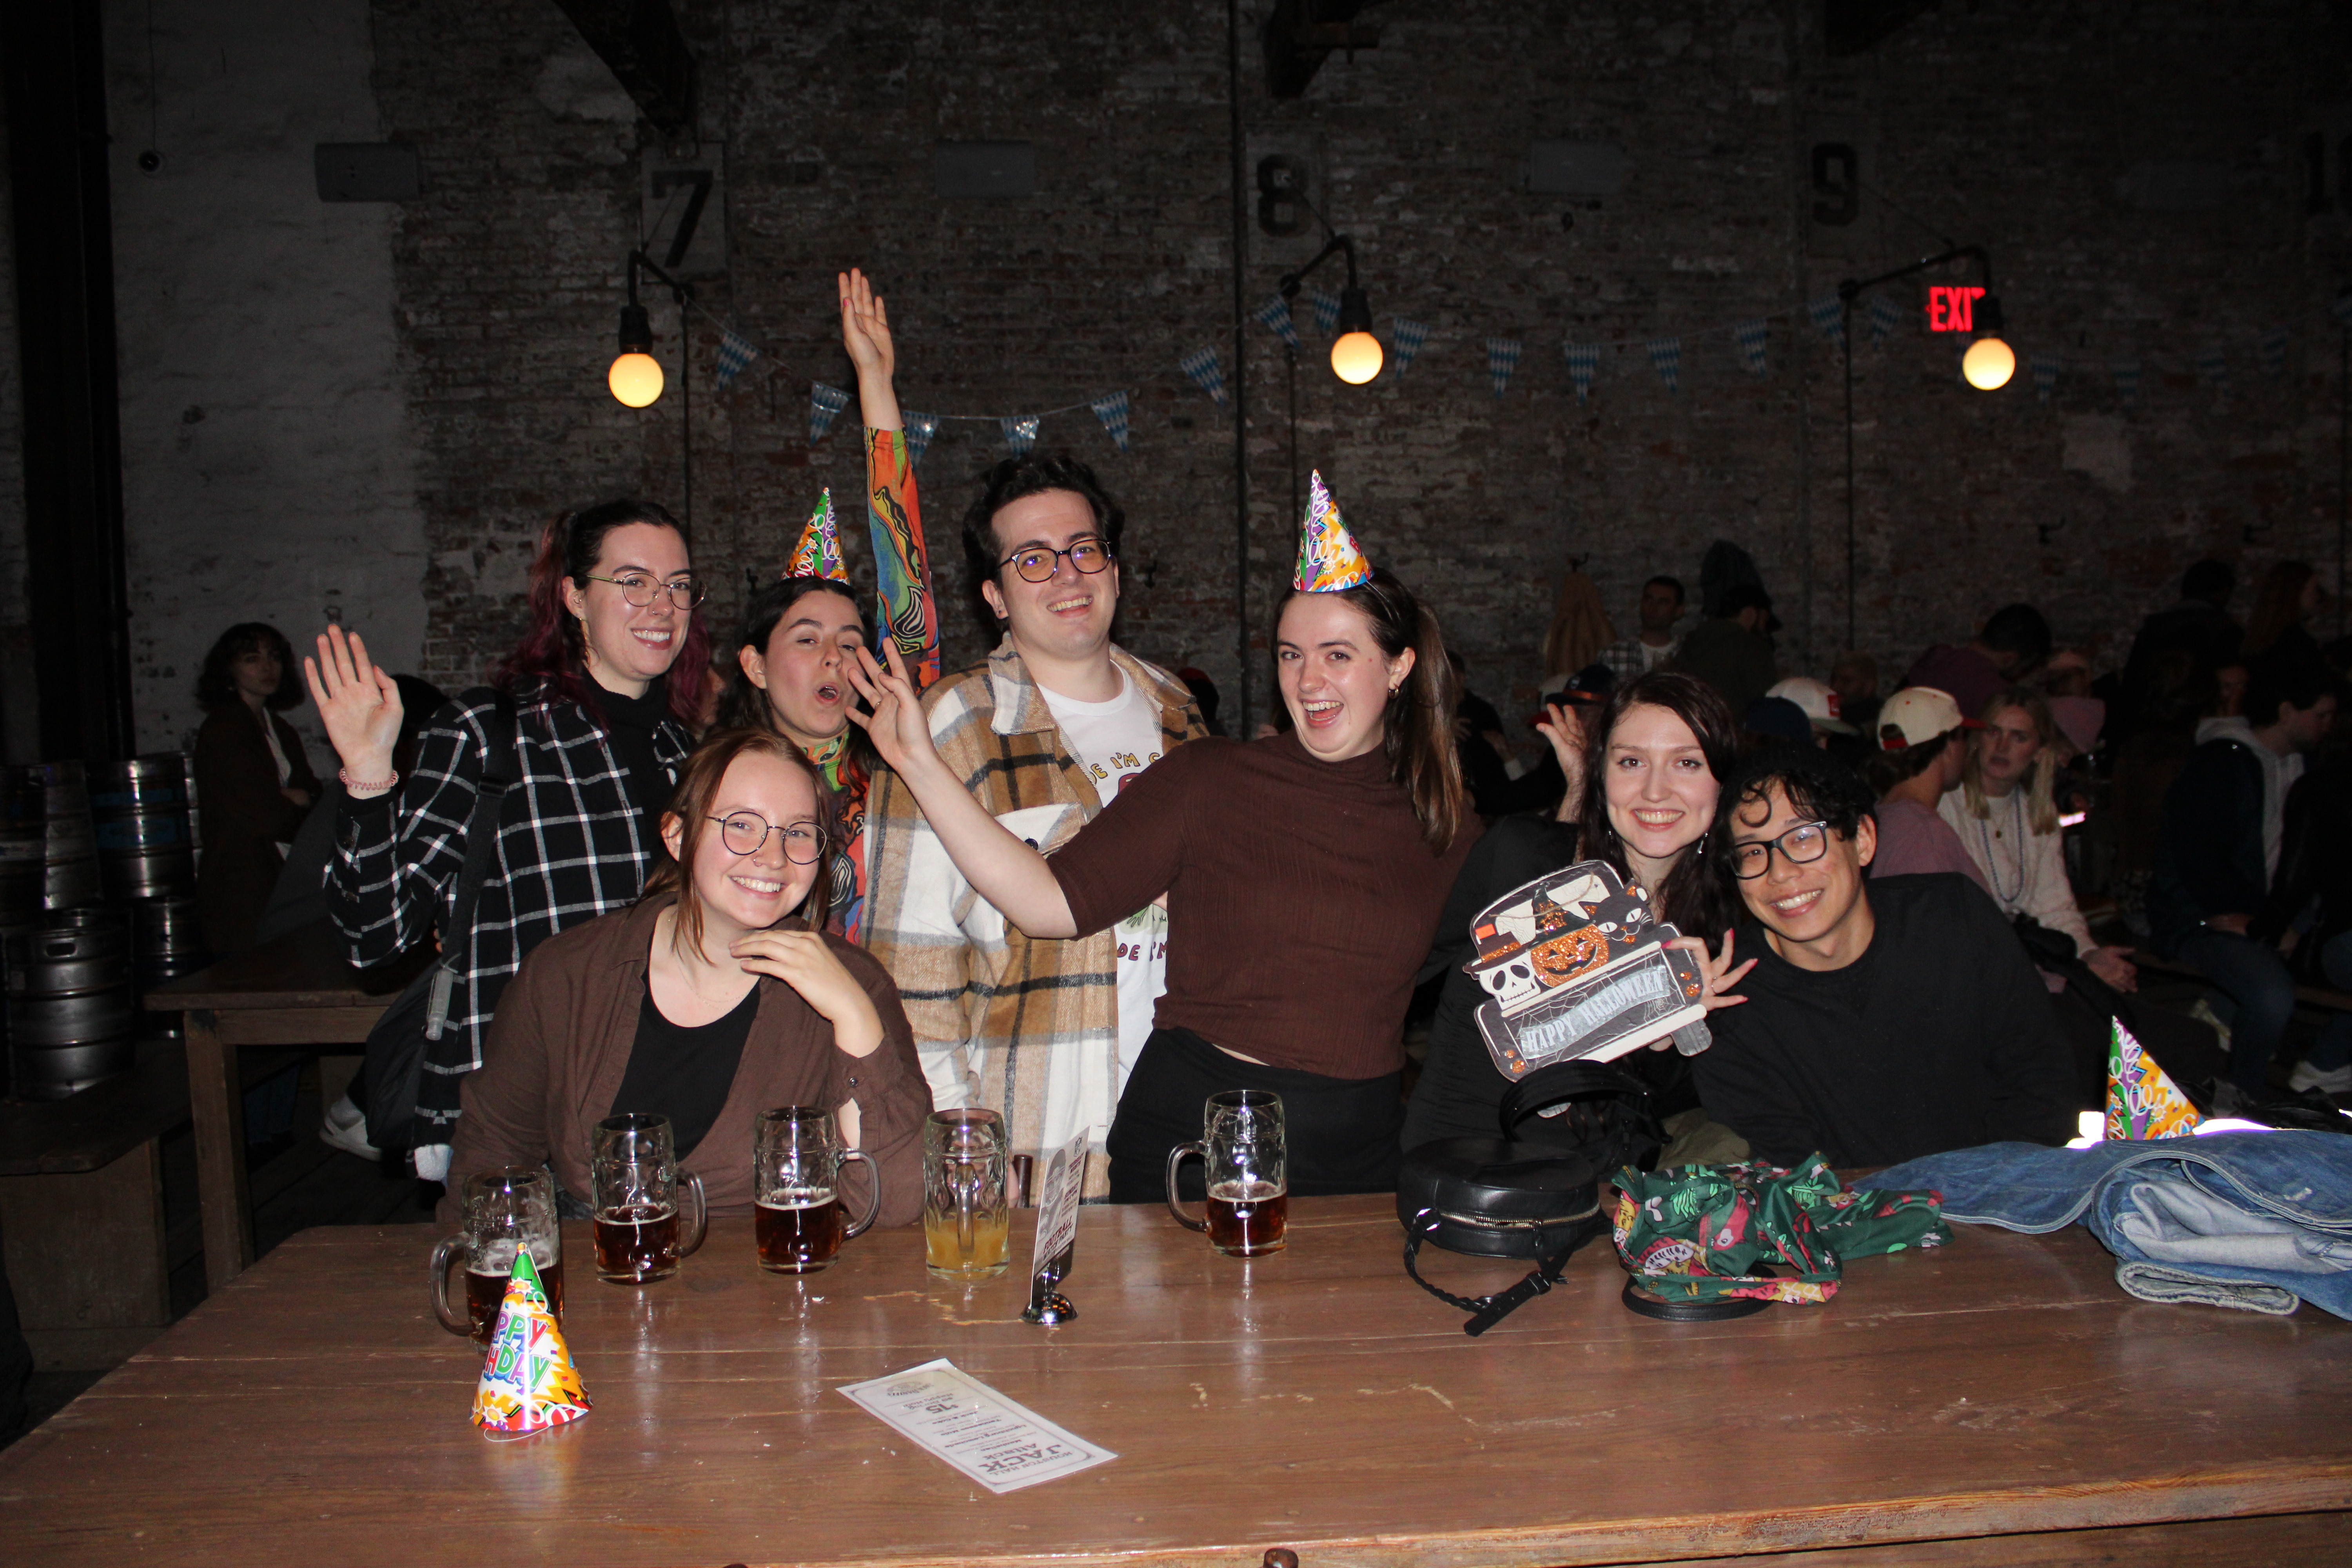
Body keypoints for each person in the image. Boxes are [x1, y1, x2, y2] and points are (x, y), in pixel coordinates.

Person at [857, 476, 1478, 1199]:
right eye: (1289, 654)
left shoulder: (1180, 715)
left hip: (1358, 1139)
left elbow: (1508, 966)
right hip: (1113, 1115)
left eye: (1338, 654)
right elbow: (1008, 920)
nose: (1309, 679)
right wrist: (954, 1131)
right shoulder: (1202, 772)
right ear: (994, 595)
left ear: (1399, 666)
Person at [307, 499, 708, 1172]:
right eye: (633, 581)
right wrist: (370, 779)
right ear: (575, 598)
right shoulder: (491, 733)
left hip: (670, 1102)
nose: (662, 604)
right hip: (529, 1123)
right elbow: (372, 937)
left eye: (678, 585)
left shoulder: (686, 751)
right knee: (526, 1285)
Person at [861, 454, 1208, 1198]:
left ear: (1113, 570)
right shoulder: (946, 727)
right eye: (1033, 559)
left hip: (1184, 1128)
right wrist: (966, 1145)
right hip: (1037, 1143)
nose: (1067, 574)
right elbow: (909, 977)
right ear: (995, 595)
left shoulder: (1179, 712)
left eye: (1085, 549)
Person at [442, 729, 929, 1225]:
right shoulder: (569, 973)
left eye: (799, 832)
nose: (774, 856)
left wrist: (854, 1015)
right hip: (598, 1286)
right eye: (742, 824)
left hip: (773, 1288)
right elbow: (489, 1159)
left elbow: (896, 1202)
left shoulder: (853, 982)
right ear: (678, 835)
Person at [1401, 669, 1754, 1153]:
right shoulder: (1522, 857)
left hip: (1600, 1188)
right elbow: (1415, 966)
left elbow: (1668, 1102)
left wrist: (1663, 1033)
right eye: (1631, 761)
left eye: (1687, 763)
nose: (1655, 790)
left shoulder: (1725, 918)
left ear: (1722, 779)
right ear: (1600, 771)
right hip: (1470, 1166)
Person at [1692, 746, 2077, 1167]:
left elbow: (2041, 1083)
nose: (1779, 872)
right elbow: (1792, 1170)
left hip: (1997, 1203)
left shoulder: (1954, 920)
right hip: (1852, 1224)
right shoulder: (1730, 1002)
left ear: (1863, 841)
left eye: (1803, 837)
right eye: (1752, 851)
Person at [720, 270, 937, 941]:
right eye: (808, 639)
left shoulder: (900, 763)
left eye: (851, 642)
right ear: (754, 667)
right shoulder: (718, 782)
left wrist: (876, 384)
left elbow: (908, 584)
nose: (837, 657)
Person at [2148, 660, 2341, 1093]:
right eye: (2321, 715)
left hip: (2268, 911)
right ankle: (2242, 1098)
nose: (2328, 726)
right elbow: (2203, 867)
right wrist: (2267, 925)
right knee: (2271, 997)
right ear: (2288, 711)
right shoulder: (2221, 764)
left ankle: (2325, 1059)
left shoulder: (2303, 764)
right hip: (2205, 913)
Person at [1942, 687, 2138, 993]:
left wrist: (2089, 954)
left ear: (2039, 751)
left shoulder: (2037, 814)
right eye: (1994, 732)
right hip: (1963, 964)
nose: (2002, 746)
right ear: (1978, 738)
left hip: (2017, 963)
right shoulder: (1947, 803)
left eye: (2019, 737)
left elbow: (2055, 907)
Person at [192, 623, 322, 955]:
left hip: (285, 876)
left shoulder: (279, 729)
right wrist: (294, 803)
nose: (267, 668)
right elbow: (266, 815)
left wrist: (299, 799)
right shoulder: (224, 730)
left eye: (274, 657)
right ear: (229, 670)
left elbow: (312, 795)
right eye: (252, 658)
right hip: (243, 884)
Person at [2261, 751, 2352, 1094]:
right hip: (2337, 936)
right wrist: (2266, 930)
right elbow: (2295, 875)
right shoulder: (2328, 787)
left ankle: (2327, 1061)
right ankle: (2326, 1062)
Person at [1858, 688, 1987, 890]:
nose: (1967, 749)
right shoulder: (1925, 835)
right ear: (1948, 747)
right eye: (1963, 738)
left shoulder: (1878, 819)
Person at [1901, 603, 2051, 719]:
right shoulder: (1996, 693)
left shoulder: (1935, 658)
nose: (2021, 675)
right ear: (2010, 660)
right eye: (2025, 669)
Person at [1672, 583, 1777, 714]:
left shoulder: (1694, 641)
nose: (1764, 629)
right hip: (1731, 729)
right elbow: (1768, 700)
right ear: (1751, 613)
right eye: (1764, 620)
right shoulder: (1751, 646)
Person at [1596, 575, 1686, 682]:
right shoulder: (1612, 655)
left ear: (1679, 611)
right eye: (1649, 600)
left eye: (1663, 602)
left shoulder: (1686, 656)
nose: (1653, 608)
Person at [2242, 560, 2326, 670]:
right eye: (2315, 589)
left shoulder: (2263, 637)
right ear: (2297, 591)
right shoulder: (2295, 643)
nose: (2318, 597)